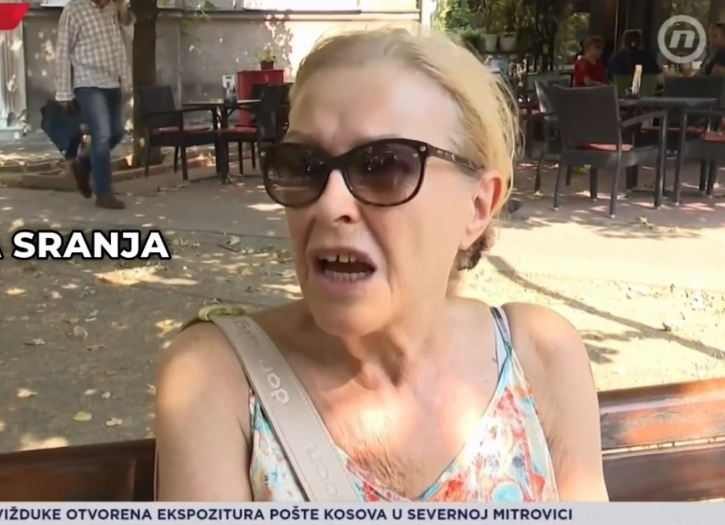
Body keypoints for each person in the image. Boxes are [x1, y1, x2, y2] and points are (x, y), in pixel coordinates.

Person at [155, 28, 607, 502]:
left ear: (477, 207)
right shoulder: (215, 376)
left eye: (384, 166)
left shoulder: (542, 355)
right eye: (304, 166)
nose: (329, 205)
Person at [55, 0, 134, 210]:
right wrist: (63, 92)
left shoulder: (112, 9)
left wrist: (123, 12)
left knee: (116, 132)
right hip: (88, 82)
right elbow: (62, 52)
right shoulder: (74, 10)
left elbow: (124, 41)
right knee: (102, 135)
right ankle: (104, 192)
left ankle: (83, 163)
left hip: (112, 81)